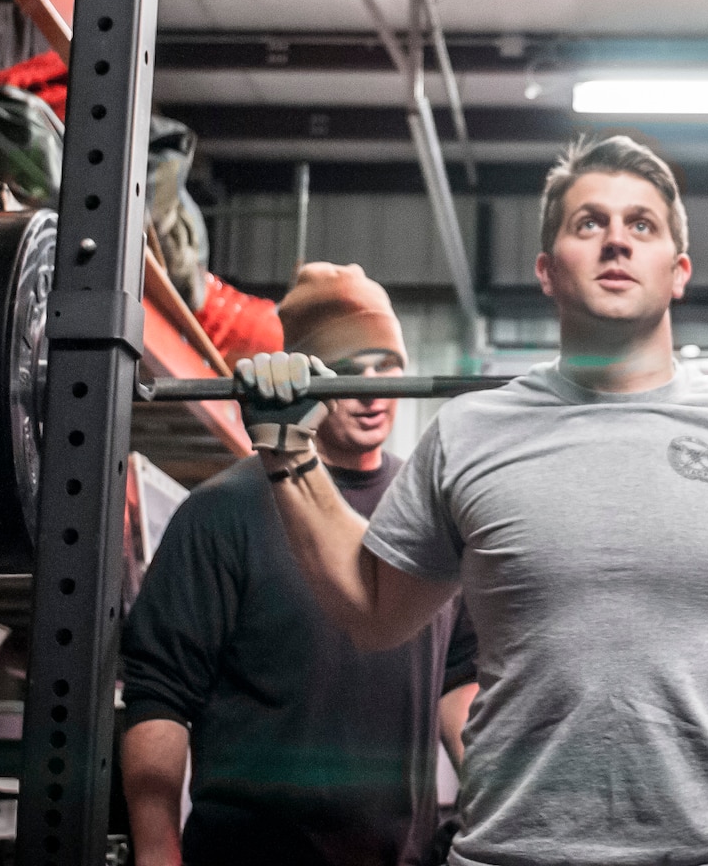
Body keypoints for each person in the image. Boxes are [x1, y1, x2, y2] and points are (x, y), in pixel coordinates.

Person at [236, 134, 708, 866]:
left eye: (642, 224)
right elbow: (376, 612)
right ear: (546, 268)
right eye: (588, 222)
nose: (616, 241)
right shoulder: (470, 433)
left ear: (678, 269)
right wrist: (288, 455)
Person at [121, 263, 479, 866]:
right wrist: (157, 852)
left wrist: (504, 799)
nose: (371, 392)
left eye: (386, 367)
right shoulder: (219, 515)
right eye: (347, 372)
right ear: (308, 378)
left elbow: (459, 677)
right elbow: (160, 698)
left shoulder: (430, 512)